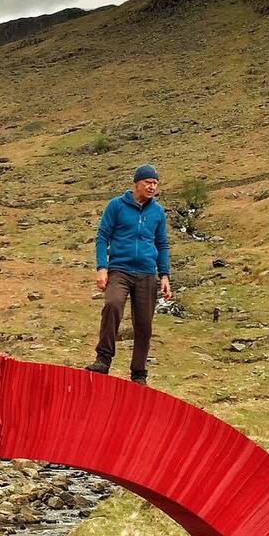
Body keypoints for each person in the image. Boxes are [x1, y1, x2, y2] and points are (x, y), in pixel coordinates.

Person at [86, 164, 172, 384]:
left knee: (144, 323)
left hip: (146, 273)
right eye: (148, 183)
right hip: (120, 270)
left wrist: (164, 275)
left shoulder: (157, 212)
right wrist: (102, 268)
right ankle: (103, 360)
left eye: (155, 183)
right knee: (112, 305)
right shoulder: (116, 206)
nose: (152, 187)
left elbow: (162, 244)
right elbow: (102, 237)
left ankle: (138, 373)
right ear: (136, 183)